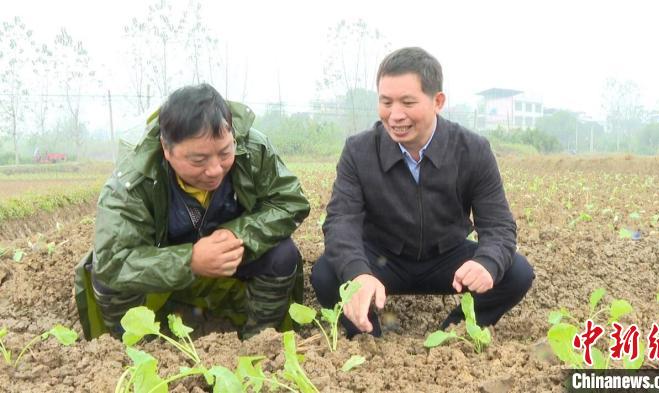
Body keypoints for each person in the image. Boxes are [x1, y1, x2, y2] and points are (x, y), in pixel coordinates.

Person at [311, 47, 534, 337]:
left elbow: (499, 225)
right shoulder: (359, 150)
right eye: (386, 102)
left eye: (407, 102)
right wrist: (358, 273)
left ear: (437, 101)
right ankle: (368, 336)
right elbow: (341, 221)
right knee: (327, 274)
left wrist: (486, 263)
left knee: (515, 271)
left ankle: (455, 332)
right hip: (383, 259)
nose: (395, 115)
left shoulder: (472, 150)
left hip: (447, 260)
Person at [74, 83, 310, 340]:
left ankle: (258, 339)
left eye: (224, 153)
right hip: (164, 264)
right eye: (198, 160)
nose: (215, 170)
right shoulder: (134, 177)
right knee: (107, 280)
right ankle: (141, 346)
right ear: (166, 148)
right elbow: (114, 263)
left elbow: (290, 201)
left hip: (229, 259)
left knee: (282, 254)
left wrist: (239, 234)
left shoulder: (252, 149)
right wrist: (190, 260)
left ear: (232, 136)